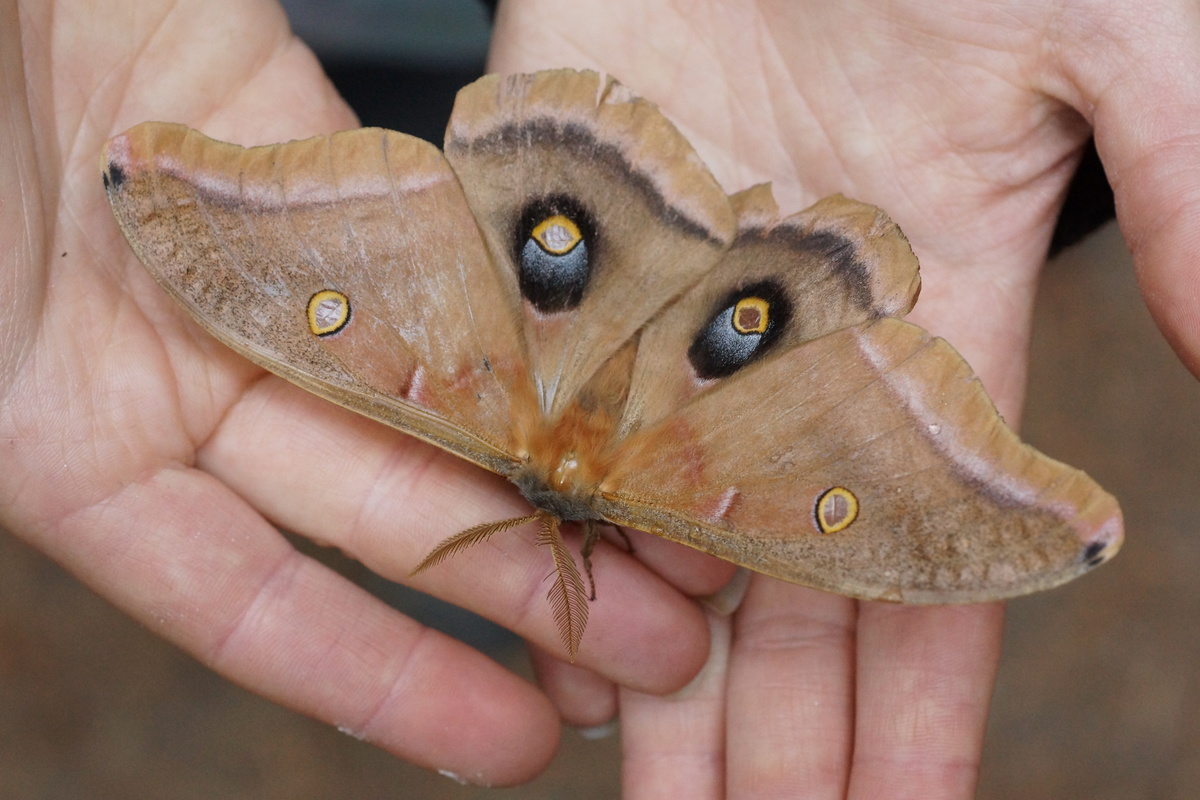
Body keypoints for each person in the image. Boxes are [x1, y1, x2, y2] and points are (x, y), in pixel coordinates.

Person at [2, 0, 1196, 796]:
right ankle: (718, 332)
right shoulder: (640, 496)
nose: (560, 497)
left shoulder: (463, 416)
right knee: (511, 586)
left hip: (541, 209)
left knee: (509, 583)